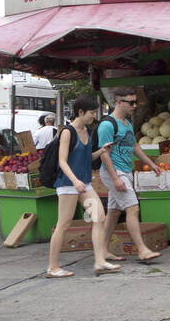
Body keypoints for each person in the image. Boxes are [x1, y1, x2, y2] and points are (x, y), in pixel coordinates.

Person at [46, 94, 118, 278]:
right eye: (91, 113)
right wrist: (75, 181)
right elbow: (62, 161)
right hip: (68, 185)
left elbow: (86, 159)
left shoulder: (87, 131)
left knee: (98, 217)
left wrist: (101, 151)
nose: (94, 116)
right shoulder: (67, 132)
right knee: (63, 224)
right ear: (80, 112)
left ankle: (100, 261)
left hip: (84, 184)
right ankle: (53, 267)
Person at [99, 87, 164, 262]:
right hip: (115, 172)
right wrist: (115, 178)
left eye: (136, 102)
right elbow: (104, 154)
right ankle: (142, 250)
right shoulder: (107, 125)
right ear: (118, 102)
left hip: (124, 172)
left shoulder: (127, 123)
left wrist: (150, 163)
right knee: (133, 208)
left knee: (113, 213)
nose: (135, 105)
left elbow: (134, 146)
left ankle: (102, 250)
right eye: (131, 102)